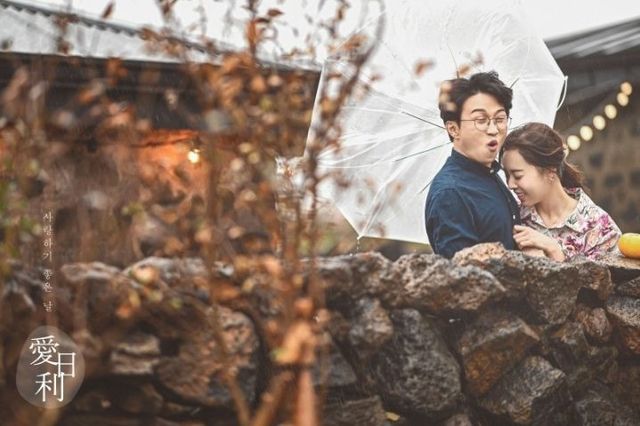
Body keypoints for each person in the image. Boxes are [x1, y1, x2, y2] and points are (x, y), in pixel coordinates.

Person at [425, 71, 520, 258]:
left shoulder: (490, 173)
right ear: (454, 129)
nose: (493, 129)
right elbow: (463, 271)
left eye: (500, 119)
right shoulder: (450, 193)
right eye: (481, 120)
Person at [501, 122, 621, 261]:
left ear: (550, 170)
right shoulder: (512, 216)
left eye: (517, 176)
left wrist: (554, 251)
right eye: (507, 175)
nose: (510, 184)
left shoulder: (600, 228)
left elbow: (610, 275)